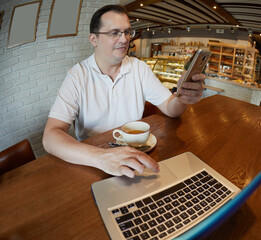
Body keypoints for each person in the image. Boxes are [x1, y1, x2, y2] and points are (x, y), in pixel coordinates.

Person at [42, 5, 205, 178]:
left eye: (127, 32)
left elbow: (171, 109)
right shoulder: (78, 75)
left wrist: (182, 97)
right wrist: (103, 157)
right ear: (93, 39)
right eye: (114, 33)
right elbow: (51, 136)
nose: (124, 39)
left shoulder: (139, 68)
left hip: (136, 157)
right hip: (92, 162)